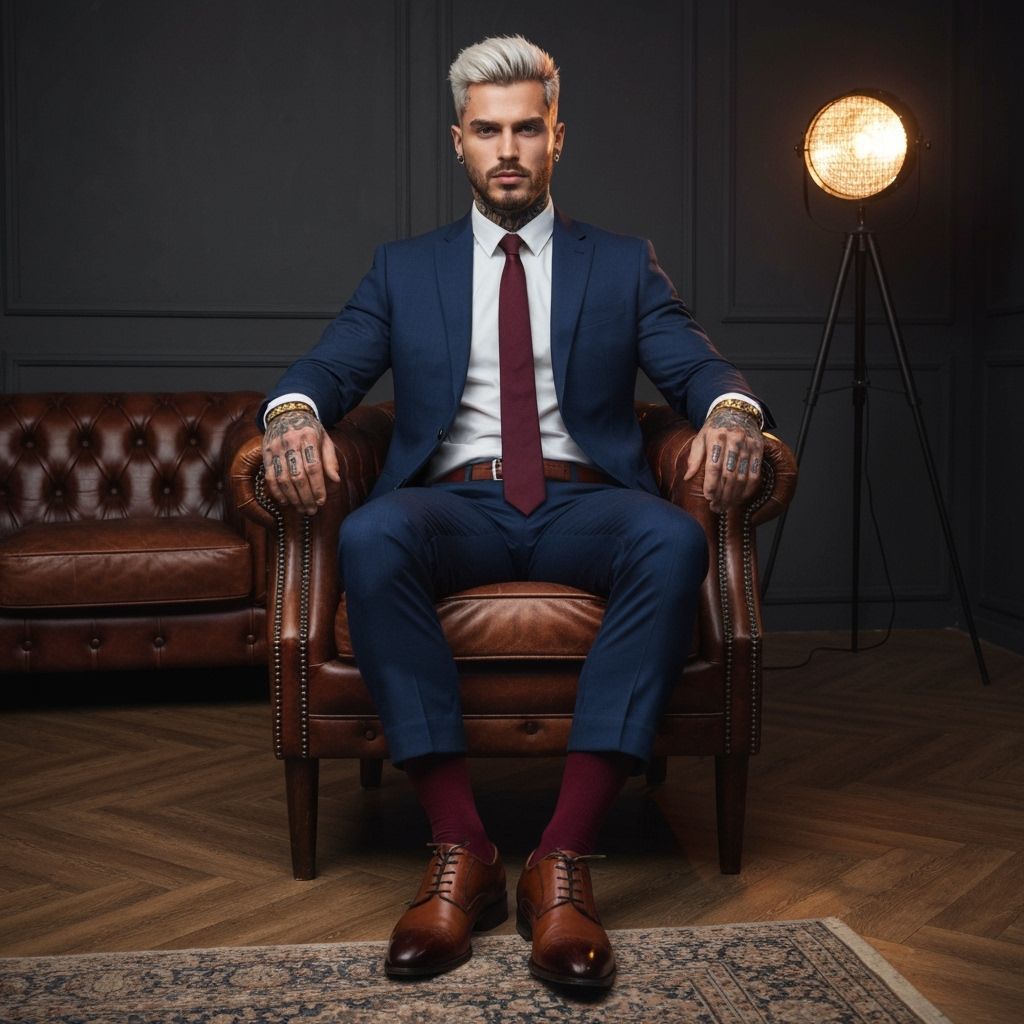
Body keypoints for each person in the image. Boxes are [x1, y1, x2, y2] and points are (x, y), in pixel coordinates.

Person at [260, 35, 768, 990]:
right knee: (371, 533)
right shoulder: (403, 269)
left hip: (585, 503)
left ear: (556, 138)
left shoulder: (620, 263)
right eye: (487, 130)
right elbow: (327, 369)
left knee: (669, 536)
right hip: (451, 504)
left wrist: (733, 411)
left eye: (526, 129)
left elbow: (697, 367)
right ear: (458, 141)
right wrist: (291, 416)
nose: (507, 149)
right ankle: (463, 851)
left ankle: (562, 861)